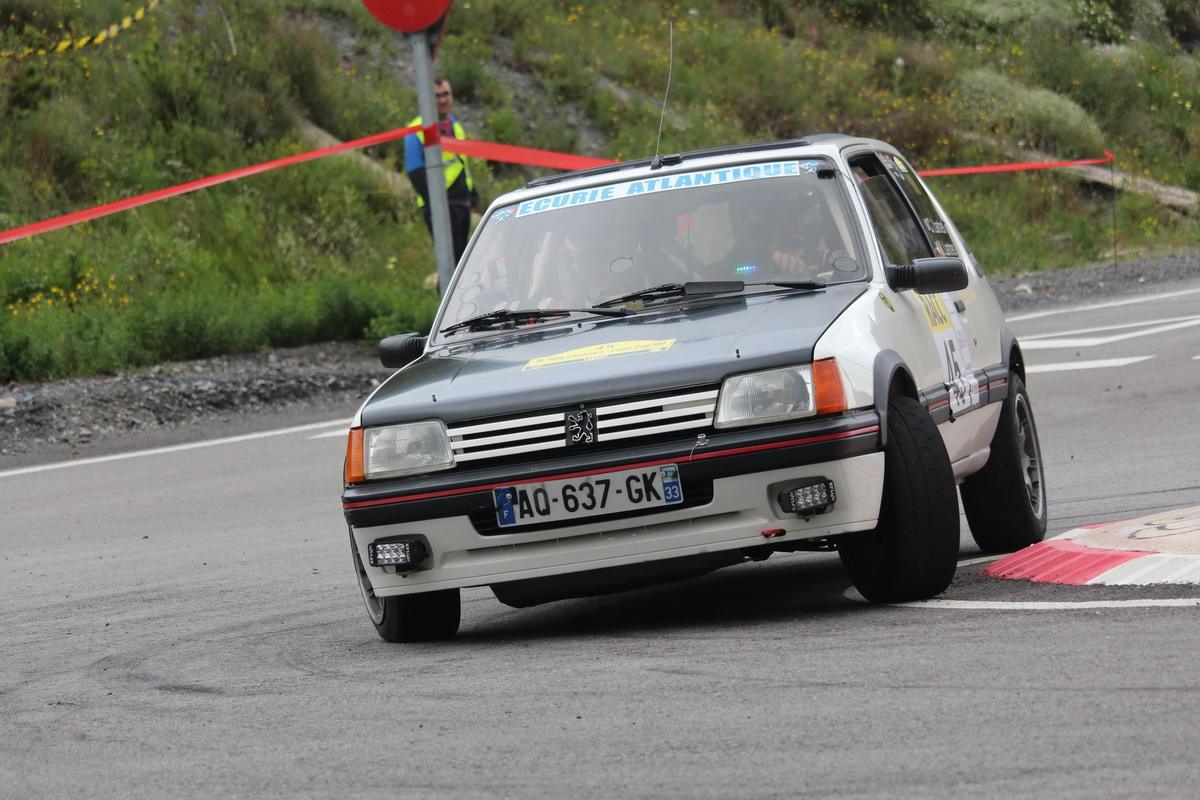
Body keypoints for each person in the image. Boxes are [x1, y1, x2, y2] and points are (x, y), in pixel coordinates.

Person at [404, 76, 479, 263]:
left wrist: (472, 192)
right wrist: (438, 204)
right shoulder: (416, 131)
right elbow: (415, 173)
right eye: (436, 96)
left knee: (463, 261)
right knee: (450, 263)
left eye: (446, 94)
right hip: (440, 206)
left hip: (461, 204)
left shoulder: (455, 126)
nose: (443, 100)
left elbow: (461, 164)